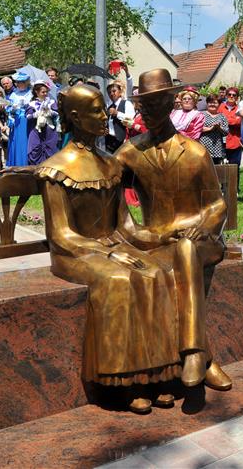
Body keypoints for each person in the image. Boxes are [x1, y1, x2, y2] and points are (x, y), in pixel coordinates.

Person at [35, 83, 181, 413]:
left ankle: (155, 374)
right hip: (74, 253)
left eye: (104, 109)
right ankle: (124, 382)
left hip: (112, 246)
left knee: (156, 272)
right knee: (119, 281)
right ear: (75, 117)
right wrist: (110, 253)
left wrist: (158, 238)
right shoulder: (55, 170)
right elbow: (60, 235)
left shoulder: (110, 164)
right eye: (97, 111)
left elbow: (126, 226)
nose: (105, 116)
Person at [116, 68, 233, 397]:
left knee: (185, 251)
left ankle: (194, 354)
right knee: (163, 265)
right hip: (157, 241)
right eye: (144, 107)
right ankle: (202, 356)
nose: (149, 113)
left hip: (201, 241)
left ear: (170, 103)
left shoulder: (195, 152)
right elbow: (102, 180)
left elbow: (216, 205)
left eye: (155, 105)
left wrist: (204, 227)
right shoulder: (130, 153)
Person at [26, 80, 59, 165]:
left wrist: (50, 112)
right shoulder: (32, 104)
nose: (45, 94)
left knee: (51, 150)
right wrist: (35, 114)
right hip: (36, 131)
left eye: (46, 92)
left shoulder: (51, 102)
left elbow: (57, 113)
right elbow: (27, 116)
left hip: (49, 131)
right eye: (43, 92)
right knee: (35, 149)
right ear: (36, 92)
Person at [5, 72, 32, 166]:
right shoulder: (13, 94)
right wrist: (13, 108)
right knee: (17, 142)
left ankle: (26, 163)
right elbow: (7, 107)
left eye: (23, 82)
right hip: (17, 121)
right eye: (18, 82)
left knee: (26, 141)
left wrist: (28, 106)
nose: (21, 84)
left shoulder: (31, 93)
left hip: (28, 120)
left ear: (27, 82)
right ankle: (17, 163)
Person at [105, 80, 134, 153]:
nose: (111, 94)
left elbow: (132, 121)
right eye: (109, 92)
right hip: (110, 142)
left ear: (120, 92)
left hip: (122, 142)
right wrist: (106, 129)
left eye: (114, 91)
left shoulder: (127, 104)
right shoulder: (109, 107)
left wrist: (117, 113)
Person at [198, 95, 228, 164]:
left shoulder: (222, 116)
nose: (212, 104)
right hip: (203, 146)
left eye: (215, 103)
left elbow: (226, 132)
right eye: (210, 102)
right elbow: (197, 128)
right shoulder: (201, 114)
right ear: (207, 103)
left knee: (216, 170)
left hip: (217, 148)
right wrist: (210, 128)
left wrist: (219, 128)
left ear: (219, 104)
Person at [218, 86, 242, 170]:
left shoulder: (240, 109)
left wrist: (225, 120)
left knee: (234, 170)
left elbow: (239, 122)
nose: (231, 96)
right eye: (229, 94)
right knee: (221, 170)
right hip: (220, 143)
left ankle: (235, 184)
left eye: (234, 95)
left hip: (235, 143)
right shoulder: (220, 106)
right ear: (226, 95)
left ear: (237, 97)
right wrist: (234, 119)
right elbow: (216, 120)